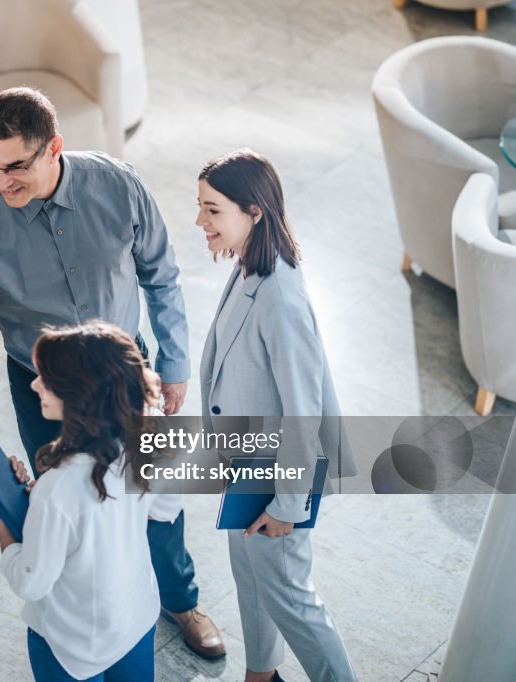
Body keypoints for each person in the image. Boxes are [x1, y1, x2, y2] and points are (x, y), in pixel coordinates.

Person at [0, 87, 225, 658]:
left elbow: (161, 276)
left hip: (123, 371)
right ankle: (76, 619)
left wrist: (175, 362)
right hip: (43, 389)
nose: (1, 182)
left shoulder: (118, 185)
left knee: (155, 492)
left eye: (17, 166)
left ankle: (179, 599)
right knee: (60, 503)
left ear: (54, 148)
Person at [196, 149, 357, 682]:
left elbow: (303, 410)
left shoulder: (282, 295)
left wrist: (288, 504)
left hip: (277, 473)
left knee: (291, 598)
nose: (201, 221)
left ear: (254, 212)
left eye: (213, 210)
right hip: (247, 465)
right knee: (252, 578)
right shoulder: (248, 265)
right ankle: (260, 675)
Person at [0, 321, 161, 681]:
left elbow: (31, 583)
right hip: (135, 619)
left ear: (78, 393)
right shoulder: (147, 440)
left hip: (71, 647)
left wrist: (5, 526)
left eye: (47, 378)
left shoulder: (57, 489)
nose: (35, 384)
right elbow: (166, 509)